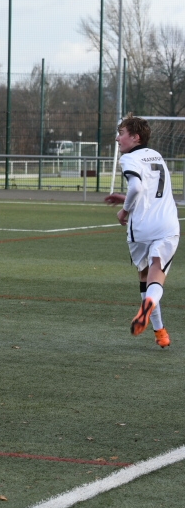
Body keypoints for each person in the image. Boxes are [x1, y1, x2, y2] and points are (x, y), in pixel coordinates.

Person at [104, 114, 179, 348]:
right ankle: (159, 331)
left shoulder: (128, 159)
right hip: (166, 224)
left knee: (145, 279)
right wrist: (128, 198)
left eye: (121, 133)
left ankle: (159, 332)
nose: (118, 138)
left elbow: (137, 186)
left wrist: (124, 211)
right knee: (158, 277)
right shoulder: (156, 155)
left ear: (135, 137)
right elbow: (149, 190)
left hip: (142, 227)